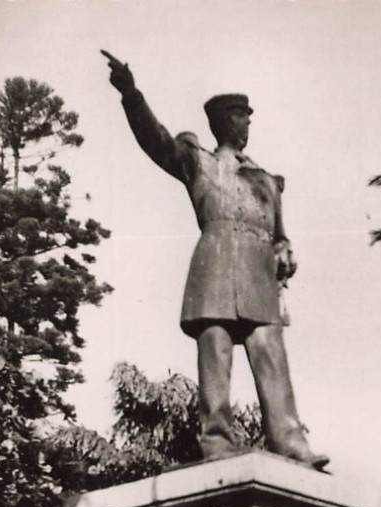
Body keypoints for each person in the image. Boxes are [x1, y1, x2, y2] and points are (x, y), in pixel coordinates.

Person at [102, 51, 328, 469]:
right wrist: (132, 95)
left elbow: (280, 234)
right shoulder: (198, 161)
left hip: (259, 276)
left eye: (248, 117)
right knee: (217, 357)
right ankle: (218, 442)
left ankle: (291, 442)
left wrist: (284, 249)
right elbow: (157, 140)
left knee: (271, 356)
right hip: (215, 268)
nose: (247, 124)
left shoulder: (265, 179)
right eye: (242, 116)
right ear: (224, 121)